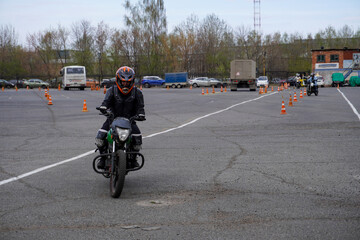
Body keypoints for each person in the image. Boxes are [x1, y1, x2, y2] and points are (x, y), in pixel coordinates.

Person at [95, 66, 145, 169]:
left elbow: (141, 107)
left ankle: (133, 158)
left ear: (132, 81)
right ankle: (103, 158)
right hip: (112, 120)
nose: (125, 84)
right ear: (118, 80)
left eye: (128, 82)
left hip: (130, 121)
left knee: (138, 138)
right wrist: (104, 107)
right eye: (123, 82)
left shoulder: (137, 93)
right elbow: (106, 102)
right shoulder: (111, 90)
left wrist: (141, 114)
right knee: (100, 137)